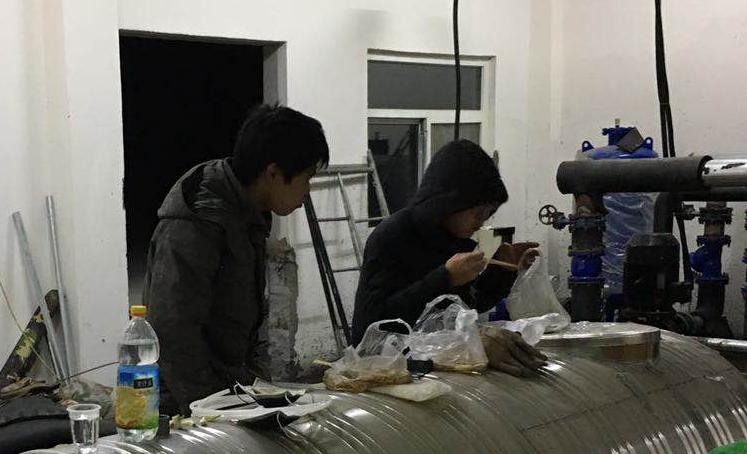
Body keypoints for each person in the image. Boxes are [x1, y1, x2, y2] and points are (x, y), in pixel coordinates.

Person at [144, 105, 330, 414]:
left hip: (227, 389)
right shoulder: (198, 223)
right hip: (183, 403)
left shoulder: (246, 215)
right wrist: (214, 411)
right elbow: (172, 331)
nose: (307, 192)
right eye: (306, 179)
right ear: (273, 173)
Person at [351, 138, 547, 376]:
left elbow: (470, 305)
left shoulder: (457, 239)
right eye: (478, 213)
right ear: (449, 203)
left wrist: (504, 270)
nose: (481, 222)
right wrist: (445, 277)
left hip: (441, 364)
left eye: (488, 214)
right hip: (389, 369)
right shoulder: (392, 235)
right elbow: (371, 327)